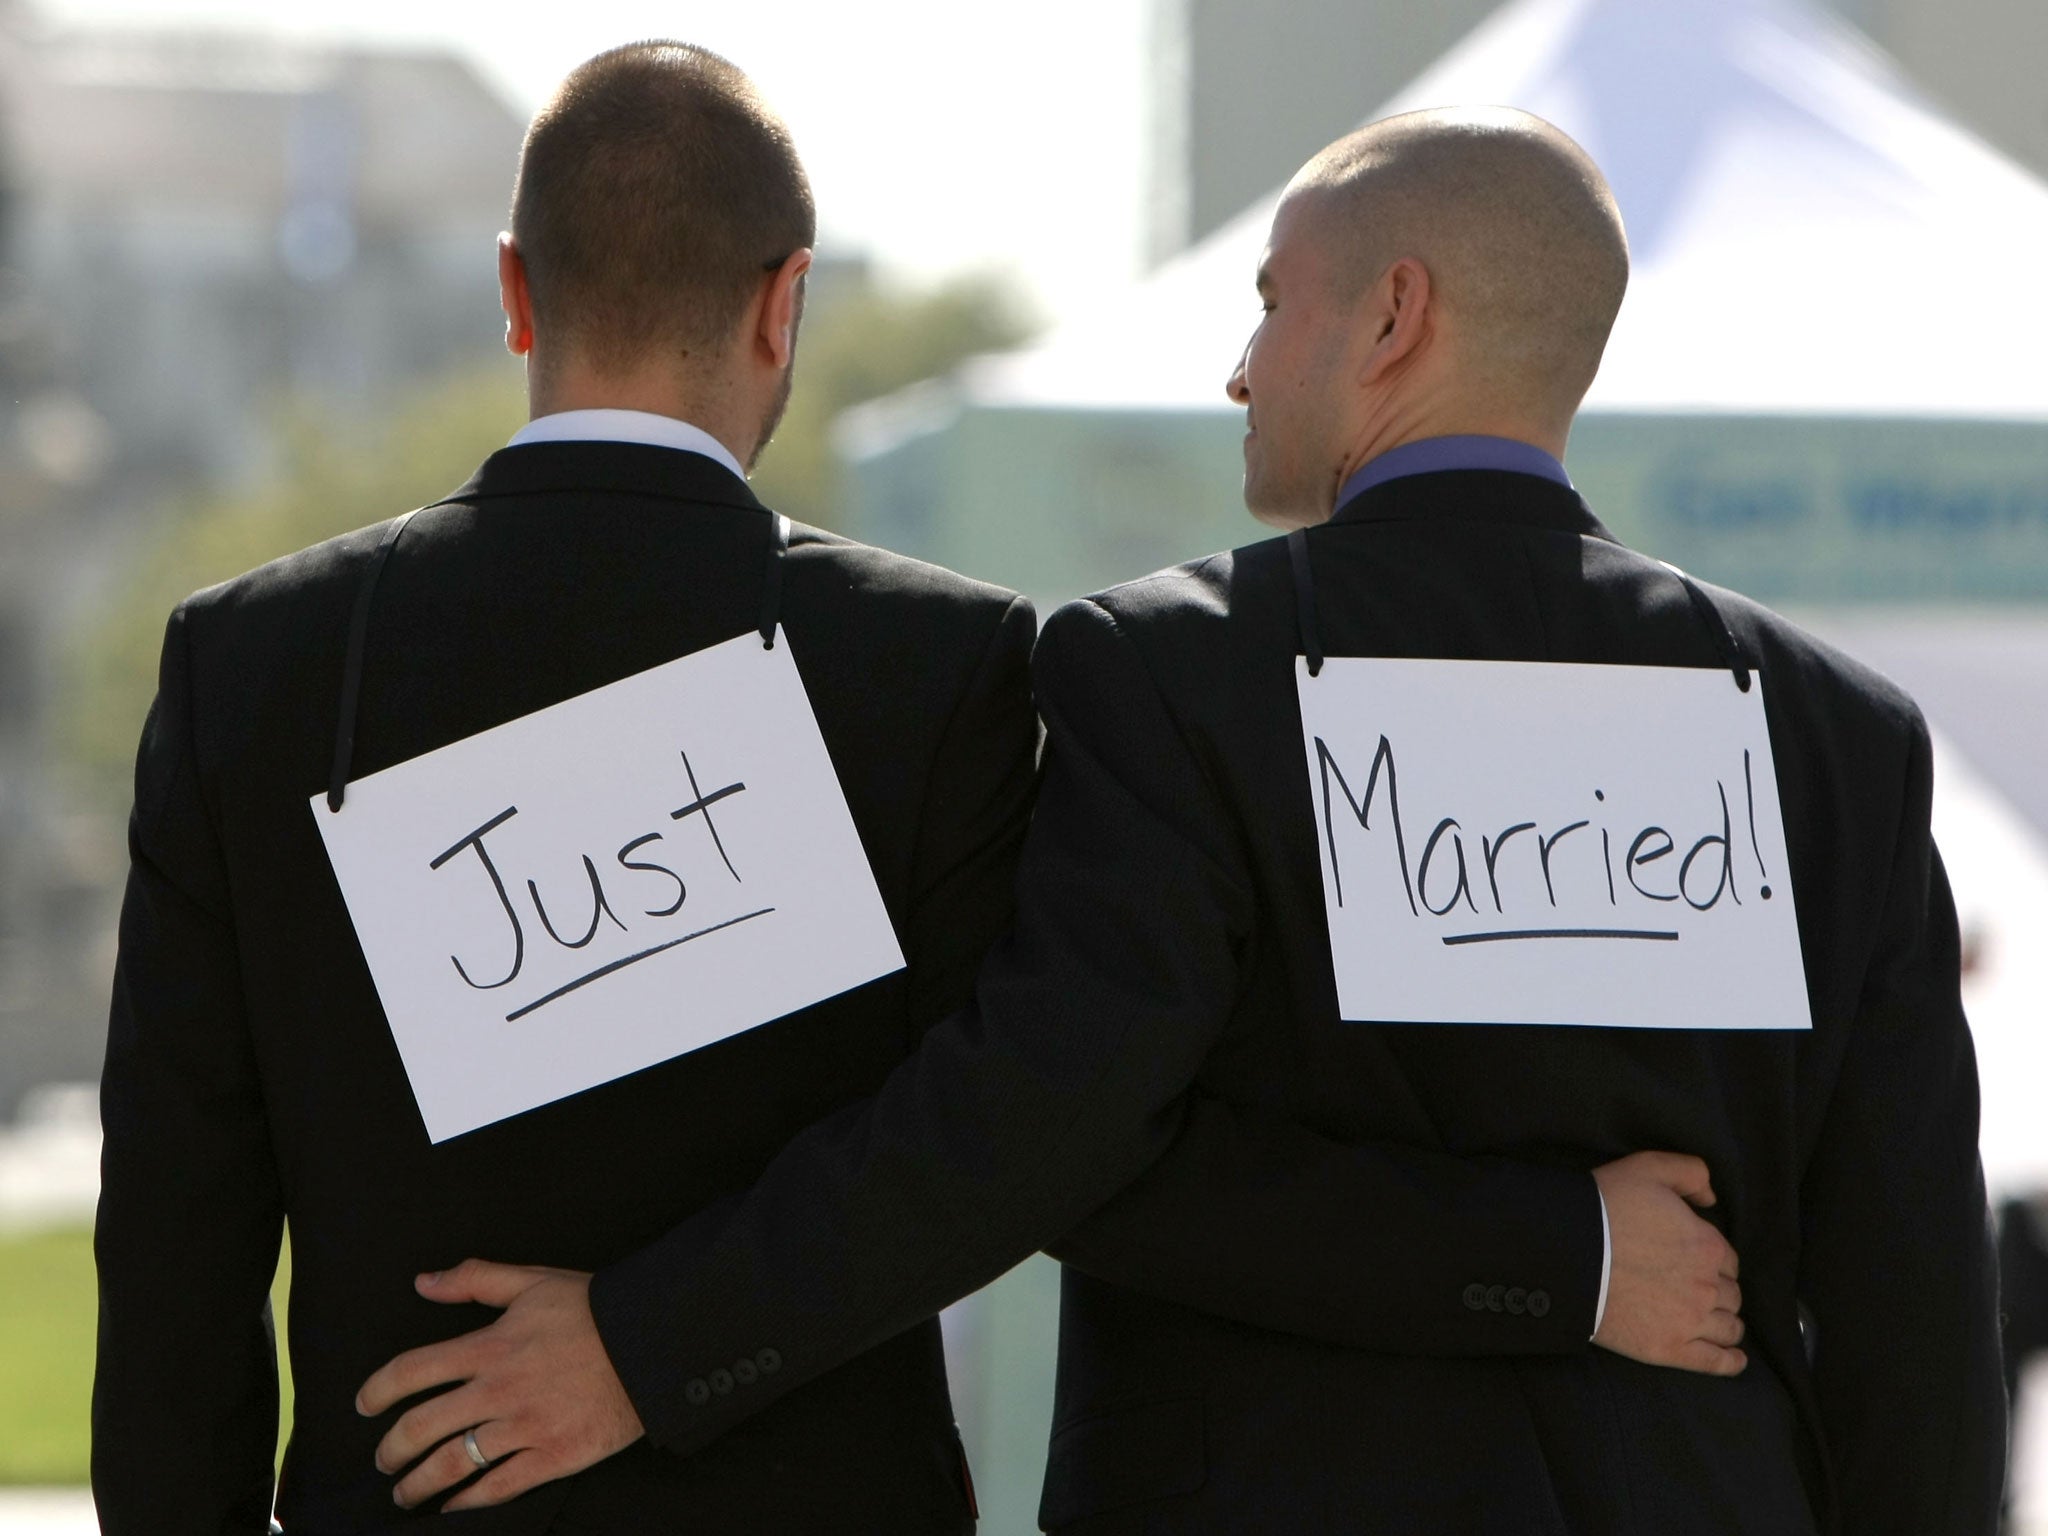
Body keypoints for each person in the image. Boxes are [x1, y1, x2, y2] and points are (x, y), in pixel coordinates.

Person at [351, 108, 1990, 1533]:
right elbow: (1918, 1302)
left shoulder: (1166, 673)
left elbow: (1057, 1148)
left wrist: (650, 1342)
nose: (1236, 364)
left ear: (1393, 318)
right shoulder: (1838, 738)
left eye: (1273, 304)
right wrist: (1564, 1257)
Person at [93, 42, 1045, 1533]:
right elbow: (984, 1150)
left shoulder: (252, 665)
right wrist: (667, 1344)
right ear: (788, 301)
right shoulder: (937, 665)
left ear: (515, 288)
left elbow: (175, 1235)